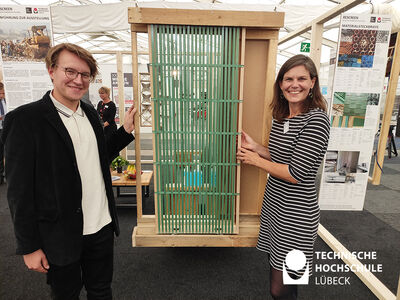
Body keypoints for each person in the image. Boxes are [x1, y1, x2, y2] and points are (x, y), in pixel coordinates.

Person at [1, 43, 137, 300]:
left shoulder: (89, 113)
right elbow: (18, 191)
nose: (78, 80)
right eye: (70, 71)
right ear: (52, 70)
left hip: (101, 227)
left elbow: (98, 157)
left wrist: (124, 132)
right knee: (66, 294)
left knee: (101, 291)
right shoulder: (26, 120)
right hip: (60, 233)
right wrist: (29, 246)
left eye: (85, 75)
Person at [237, 54, 330, 300]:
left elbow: (296, 173)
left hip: (297, 215)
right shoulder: (282, 117)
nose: (294, 84)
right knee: (284, 279)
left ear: (312, 82)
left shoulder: (317, 120)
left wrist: (255, 161)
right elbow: (281, 158)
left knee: (280, 288)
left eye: (301, 78)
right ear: (280, 84)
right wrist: (257, 147)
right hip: (275, 207)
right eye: (288, 79)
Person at [0, 82, 6, 184]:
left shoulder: (6, 101)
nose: (2, 95)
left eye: (3, 93)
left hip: (5, 129)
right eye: (0, 93)